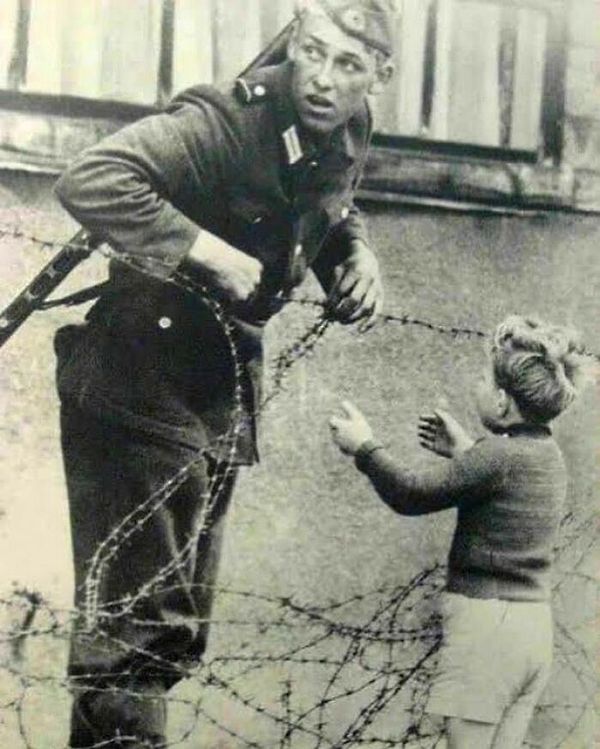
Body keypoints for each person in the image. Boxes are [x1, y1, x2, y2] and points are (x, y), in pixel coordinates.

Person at [53, 1, 397, 746]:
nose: (323, 79)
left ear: (379, 77)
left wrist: (353, 255)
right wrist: (205, 249)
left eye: (348, 65)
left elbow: (326, 201)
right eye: (313, 52)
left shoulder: (349, 127)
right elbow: (91, 178)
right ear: (295, 45)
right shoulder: (225, 118)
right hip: (138, 382)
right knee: (134, 631)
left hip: (217, 395)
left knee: (170, 631)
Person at [329, 315, 592, 749]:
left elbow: (411, 494)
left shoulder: (495, 457)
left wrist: (364, 447)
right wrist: (465, 451)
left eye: (484, 379)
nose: (476, 385)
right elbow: (507, 489)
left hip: (487, 628)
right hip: (532, 630)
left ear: (504, 403)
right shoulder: (548, 457)